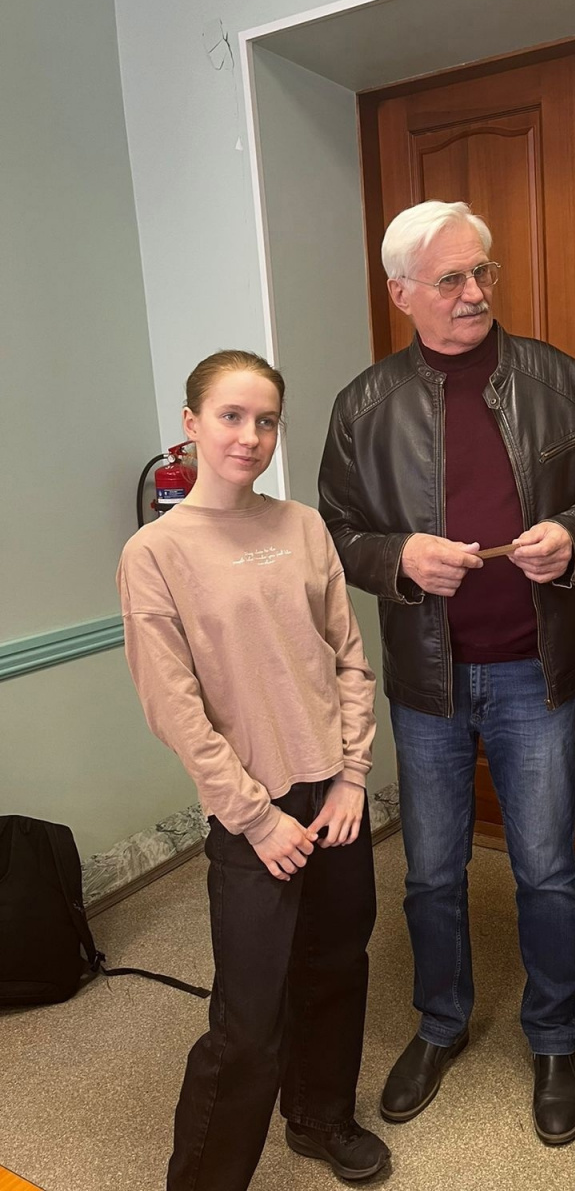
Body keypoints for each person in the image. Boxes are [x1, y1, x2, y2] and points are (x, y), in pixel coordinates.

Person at [319, 200, 575, 1145]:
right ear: (401, 291)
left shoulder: (561, 382)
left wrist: (572, 534)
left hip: (536, 669)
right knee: (431, 873)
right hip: (429, 680)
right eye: (450, 278)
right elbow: (335, 531)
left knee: (547, 870)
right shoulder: (363, 407)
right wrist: (400, 556)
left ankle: (554, 1038)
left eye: (483, 271)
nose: (474, 293)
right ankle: (440, 1024)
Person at [117, 350, 390, 1190]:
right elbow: (174, 707)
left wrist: (352, 777)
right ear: (192, 425)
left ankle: (319, 1116)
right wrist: (256, 816)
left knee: (336, 969)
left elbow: (349, 659)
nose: (250, 436)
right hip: (251, 811)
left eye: (266, 420)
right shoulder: (156, 552)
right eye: (231, 417)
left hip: (333, 800)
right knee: (248, 1017)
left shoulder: (302, 526)